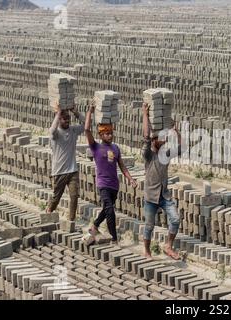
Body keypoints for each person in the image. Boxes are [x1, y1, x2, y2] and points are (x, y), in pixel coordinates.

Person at [84, 100, 137, 245]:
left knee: (107, 209)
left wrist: (130, 179)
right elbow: (87, 130)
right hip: (103, 184)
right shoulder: (95, 147)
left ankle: (94, 225)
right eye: (106, 134)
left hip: (114, 185)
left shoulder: (116, 148)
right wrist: (90, 111)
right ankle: (114, 238)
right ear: (101, 135)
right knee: (110, 211)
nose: (109, 136)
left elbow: (122, 166)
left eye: (111, 133)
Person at [141, 102, 182, 260]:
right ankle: (147, 251)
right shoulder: (148, 155)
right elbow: (145, 137)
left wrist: (176, 131)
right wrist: (145, 114)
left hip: (164, 196)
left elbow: (181, 147)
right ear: (153, 141)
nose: (163, 141)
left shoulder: (166, 154)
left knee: (175, 219)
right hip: (151, 196)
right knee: (149, 226)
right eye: (160, 139)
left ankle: (168, 246)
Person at [47, 104, 84, 221]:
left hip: (72, 170)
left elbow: (86, 124)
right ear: (59, 120)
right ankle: (48, 212)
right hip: (59, 171)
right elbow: (51, 130)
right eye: (64, 118)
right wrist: (58, 113)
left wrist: (75, 112)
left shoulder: (73, 130)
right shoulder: (56, 134)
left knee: (74, 196)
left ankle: (71, 221)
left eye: (68, 118)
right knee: (56, 197)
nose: (67, 120)